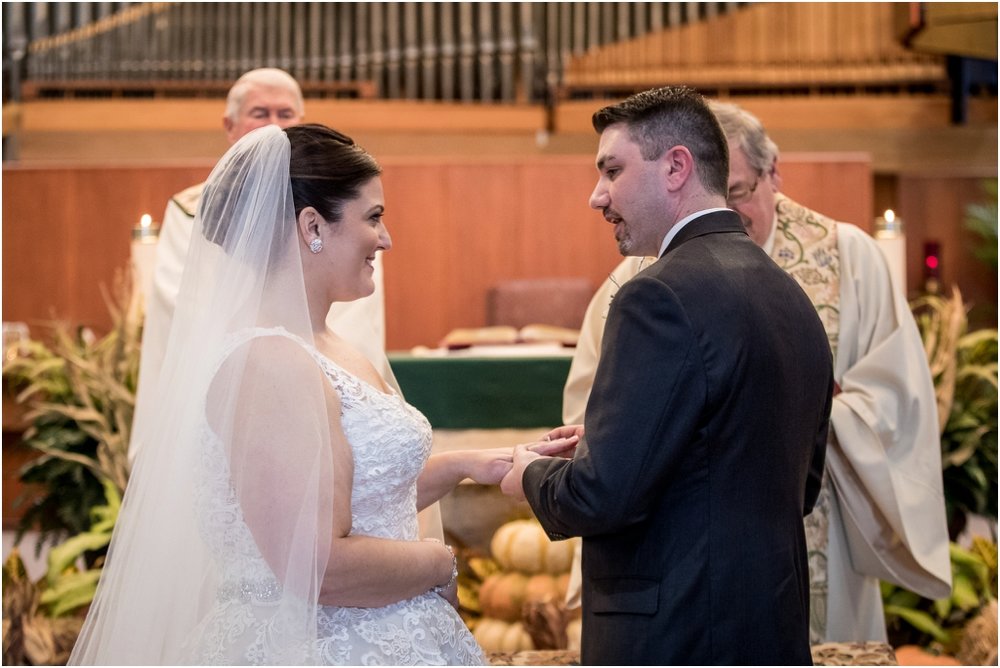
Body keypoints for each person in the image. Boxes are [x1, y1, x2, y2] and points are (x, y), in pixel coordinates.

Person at [70, 124, 574, 664]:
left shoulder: (329, 345)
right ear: (313, 225)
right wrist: (438, 562)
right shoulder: (267, 364)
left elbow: (355, 499)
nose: (386, 239)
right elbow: (317, 566)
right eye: (373, 217)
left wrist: (464, 466)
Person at [562, 100, 953, 643]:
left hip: (809, 538)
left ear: (775, 174)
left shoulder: (846, 256)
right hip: (691, 574)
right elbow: (598, 407)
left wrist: (794, 407)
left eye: (739, 190)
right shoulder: (639, 273)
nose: (728, 206)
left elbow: (900, 398)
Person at [500, 86, 833, 665]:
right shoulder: (788, 293)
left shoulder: (655, 295)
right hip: (768, 630)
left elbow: (600, 497)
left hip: (675, 637)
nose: (596, 196)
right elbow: (793, 485)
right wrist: (620, 450)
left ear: (676, 166)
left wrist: (530, 474)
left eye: (612, 170)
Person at [132, 67, 395, 460]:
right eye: (260, 113)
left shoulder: (341, 213)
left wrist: (335, 382)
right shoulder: (195, 211)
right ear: (230, 125)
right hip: (241, 390)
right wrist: (277, 364)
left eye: (285, 115)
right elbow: (184, 307)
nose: (273, 126)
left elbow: (354, 311)